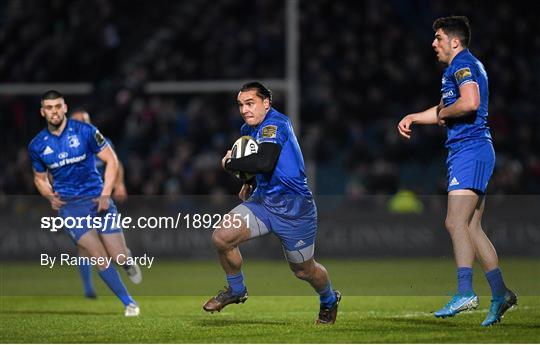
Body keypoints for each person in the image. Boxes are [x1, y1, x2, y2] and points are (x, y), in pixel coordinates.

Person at [397, 16, 516, 326]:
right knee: (472, 227)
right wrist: (414, 117)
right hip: (469, 152)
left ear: (454, 41)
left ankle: (465, 291)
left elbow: (470, 103)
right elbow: (442, 111)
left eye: (438, 38)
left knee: (454, 221)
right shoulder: (457, 68)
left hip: (471, 150)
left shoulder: (463, 64)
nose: (433, 44)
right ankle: (501, 293)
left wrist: (445, 114)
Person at [203, 82, 341, 324]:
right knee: (221, 237)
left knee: (303, 270)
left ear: (266, 103)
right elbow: (261, 162)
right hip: (264, 203)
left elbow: (265, 162)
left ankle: (329, 300)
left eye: (250, 103)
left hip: (295, 210)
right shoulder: (250, 127)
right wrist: (250, 183)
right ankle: (236, 290)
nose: (245, 110)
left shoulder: (274, 124)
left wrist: (228, 164)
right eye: (241, 105)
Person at [28, 90, 140, 316]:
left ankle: (126, 259)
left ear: (65, 108)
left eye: (58, 106)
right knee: (97, 255)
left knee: (116, 254)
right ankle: (129, 303)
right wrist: (50, 195)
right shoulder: (37, 145)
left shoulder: (86, 132)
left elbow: (112, 160)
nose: (54, 111)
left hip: (97, 198)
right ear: (43, 112)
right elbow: (39, 179)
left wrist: (107, 192)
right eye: (49, 108)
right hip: (70, 207)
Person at [69, 109, 136, 299]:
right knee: (83, 245)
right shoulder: (66, 148)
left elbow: (116, 164)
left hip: (103, 198)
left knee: (115, 251)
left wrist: (119, 184)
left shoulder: (100, 142)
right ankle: (88, 288)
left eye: (83, 121)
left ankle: (125, 257)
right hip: (80, 202)